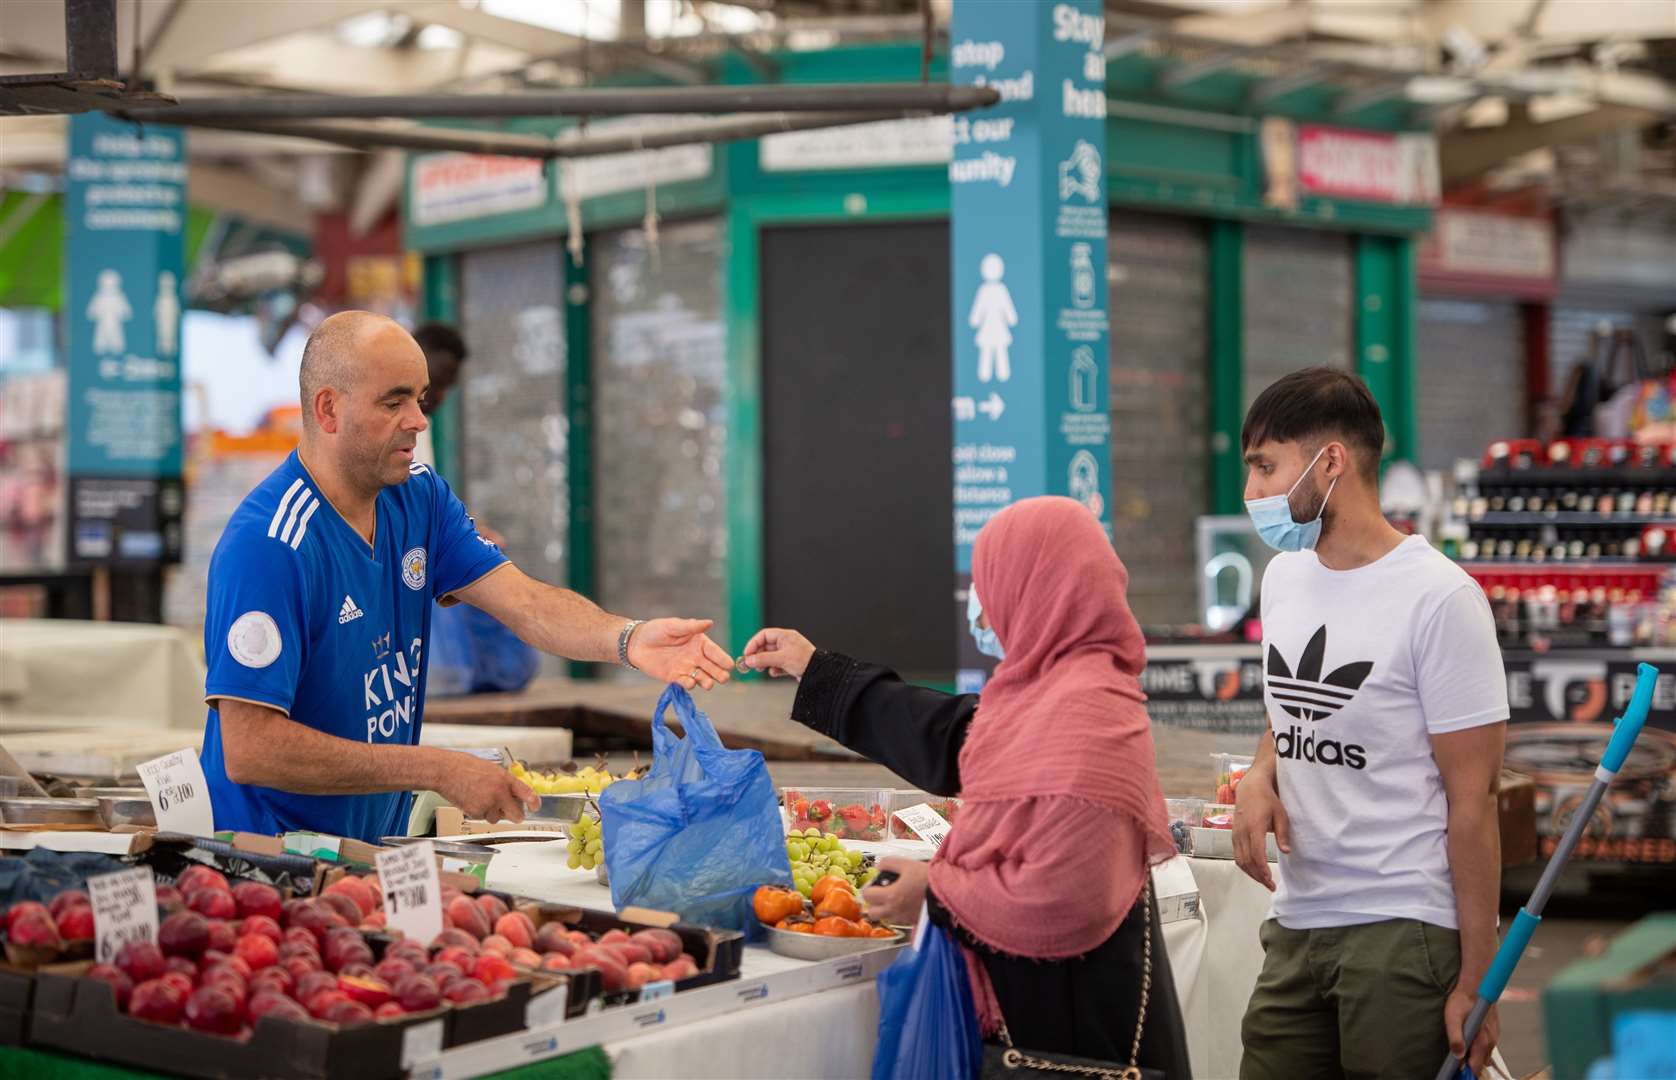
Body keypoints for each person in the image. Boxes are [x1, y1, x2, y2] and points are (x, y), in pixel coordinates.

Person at [199, 311, 734, 843]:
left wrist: (629, 637)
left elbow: (524, 600)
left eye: (421, 399)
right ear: (329, 409)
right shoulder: (270, 544)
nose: (419, 420)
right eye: (394, 402)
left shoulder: (420, 496)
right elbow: (251, 749)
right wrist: (435, 768)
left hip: (366, 858)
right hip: (267, 870)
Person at [742, 496, 1192, 1076]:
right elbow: (950, 735)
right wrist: (816, 670)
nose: (981, 601)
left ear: (1041, 586)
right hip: (1044, 1014)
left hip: (1071, 1036)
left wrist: (936, 894)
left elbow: (1066, 900)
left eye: (991, 579)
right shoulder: (1040, 693)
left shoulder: (1085, 714)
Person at [1230, 368, 1507, 1079]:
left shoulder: (1441, 600)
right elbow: (1294, 699)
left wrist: (1479, 978)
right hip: (1297, 921)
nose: (1251, 493)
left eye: (1265, 466)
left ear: (1331, 462)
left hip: (1401, 929)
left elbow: (1472, 801)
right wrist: (1264, 771)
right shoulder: (1285, 578)